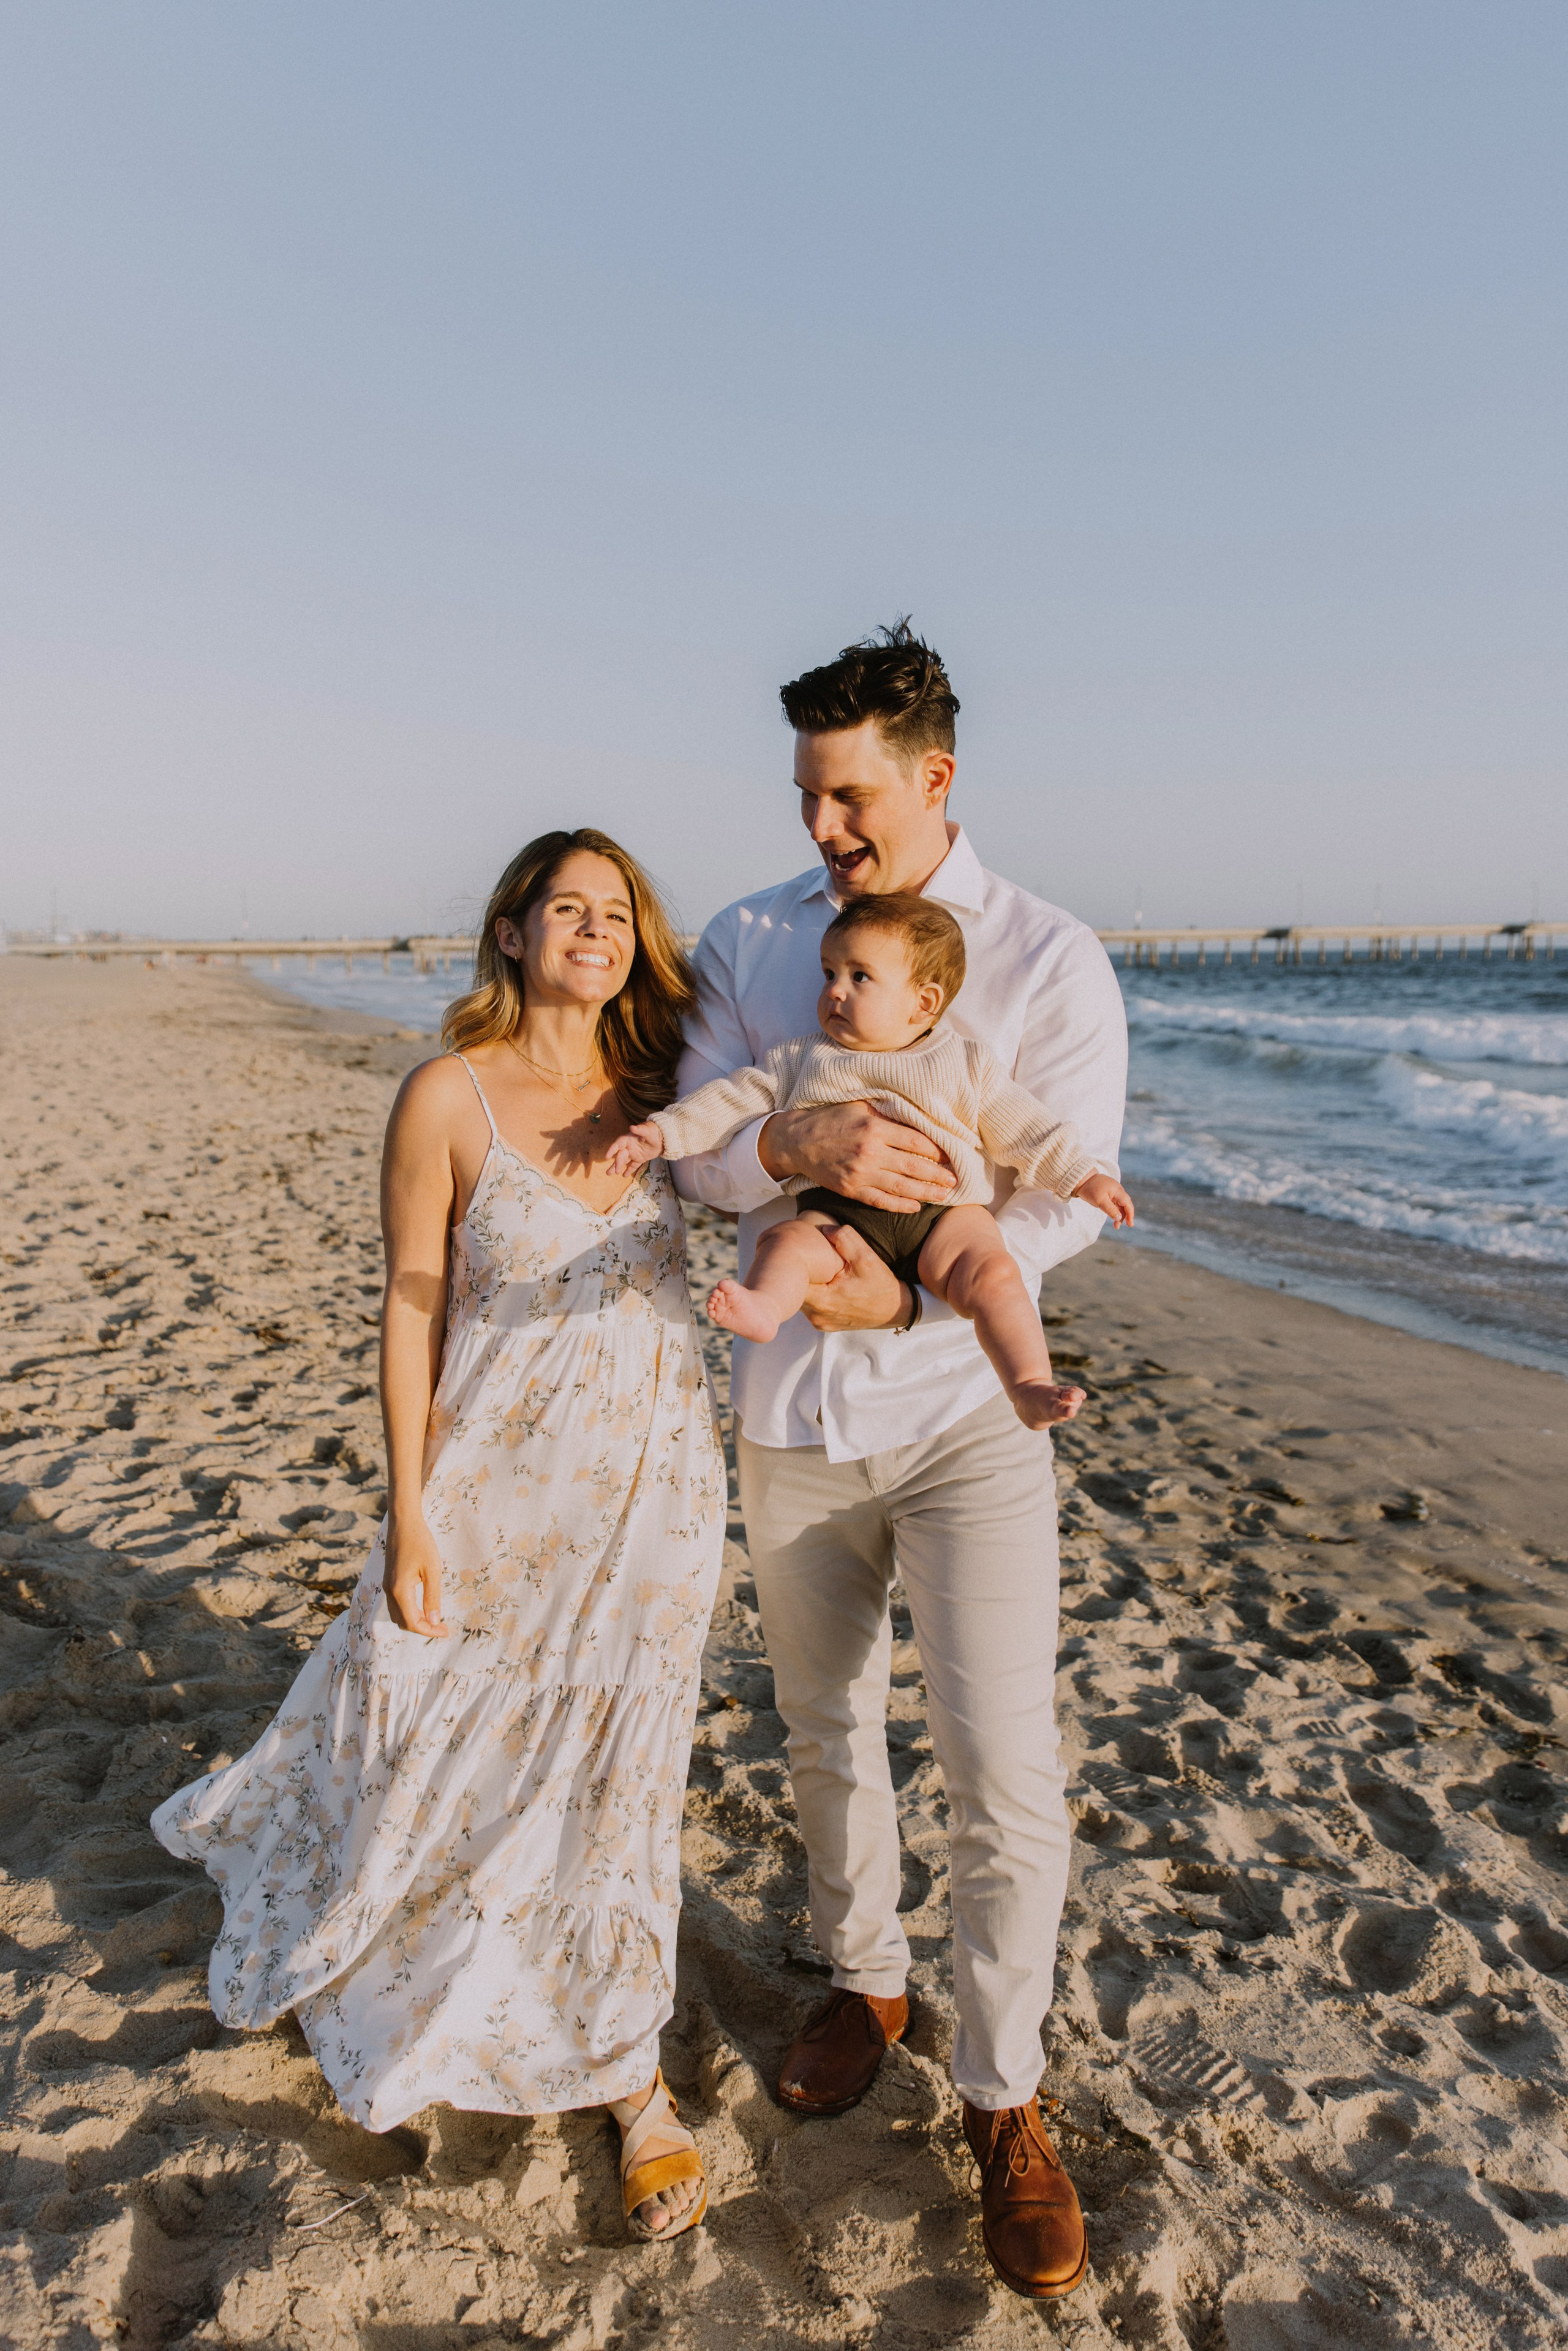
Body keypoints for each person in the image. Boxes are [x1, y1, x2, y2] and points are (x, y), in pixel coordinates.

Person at [153, 829, 727, 2243]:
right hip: (491, 1481)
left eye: (616, 911)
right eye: (565, 907)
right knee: (441, 1733)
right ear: (513, 930)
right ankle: (425, 1968)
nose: (592, 928)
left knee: (619, 1773)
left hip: (653, 1492)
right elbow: (411, 1308)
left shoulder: (677, 1096)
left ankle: (625, 2074)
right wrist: (406, 1507)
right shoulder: (446, 1095)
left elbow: (810, 1168)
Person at [672, 624, 1128, 2303]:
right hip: (789, 1419)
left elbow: (1067, 1196)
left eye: (849, 795)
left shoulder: (1052, 958)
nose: (822, 829)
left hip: (959, 1419)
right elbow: (704, 1162)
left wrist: (891, 1278)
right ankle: (862, 1977)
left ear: (936, 778)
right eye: (806, 796)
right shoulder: (747, 936)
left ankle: (1006, 2090)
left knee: (1004, 1767)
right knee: (821, 1724)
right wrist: (792, 1140)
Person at [608, 891, 1133, 1427]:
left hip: (946, 1216)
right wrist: (661, 1133)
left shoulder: (964, 1064)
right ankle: (766, 1306)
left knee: (995, 1276)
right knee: (785, 1244)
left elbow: (1025, 1129)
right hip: (836, 1220)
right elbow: (726, 1101)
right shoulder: (803, 1059)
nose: (834, 990)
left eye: (859, 978)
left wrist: (1082, 1177)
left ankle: (1026, 1384)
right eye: (828, 973)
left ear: (924, 1002)